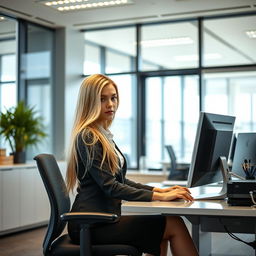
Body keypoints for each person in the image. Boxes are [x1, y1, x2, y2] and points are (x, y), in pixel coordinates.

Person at [66, 74, 198, 256]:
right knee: (173, 223)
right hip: (90, 224)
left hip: (103, 219)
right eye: (102, 99)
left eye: (113, 98)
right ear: (89, 102)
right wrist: (158, 197)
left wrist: (161, 192)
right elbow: (110, 187)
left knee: (162, 227)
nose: (110, 104)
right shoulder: (89, 137)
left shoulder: (103, 135)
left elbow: (121, 181)